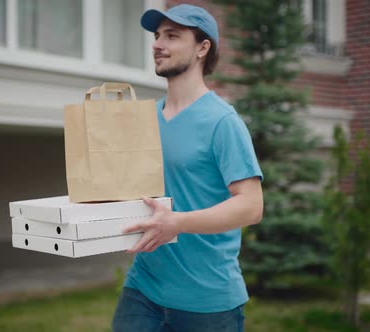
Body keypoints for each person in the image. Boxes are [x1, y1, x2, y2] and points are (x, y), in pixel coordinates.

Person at [111, 4, 264, 332]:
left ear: (202, 48)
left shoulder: (223, 122)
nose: (157, 44)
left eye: (172, 35)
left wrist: (177, 223)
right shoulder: (146, 118)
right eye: (156, 35)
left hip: (207, 301)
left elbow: (252, 206)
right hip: (143, 288)